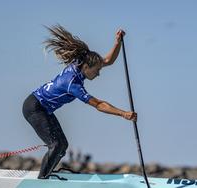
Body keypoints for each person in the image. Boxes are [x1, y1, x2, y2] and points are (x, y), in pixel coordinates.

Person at [22, 25, 137, 179]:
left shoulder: (80, 63)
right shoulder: (72, 84)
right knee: (56, 145)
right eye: (97, 71)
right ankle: (42, 181)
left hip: (43, 108)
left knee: (62, 146)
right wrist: (123, 113)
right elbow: (99, 105)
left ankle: (46, 176)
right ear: (87, 67)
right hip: (34, 108)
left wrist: (118, 42)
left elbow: (108, 60)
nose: (98, 74)